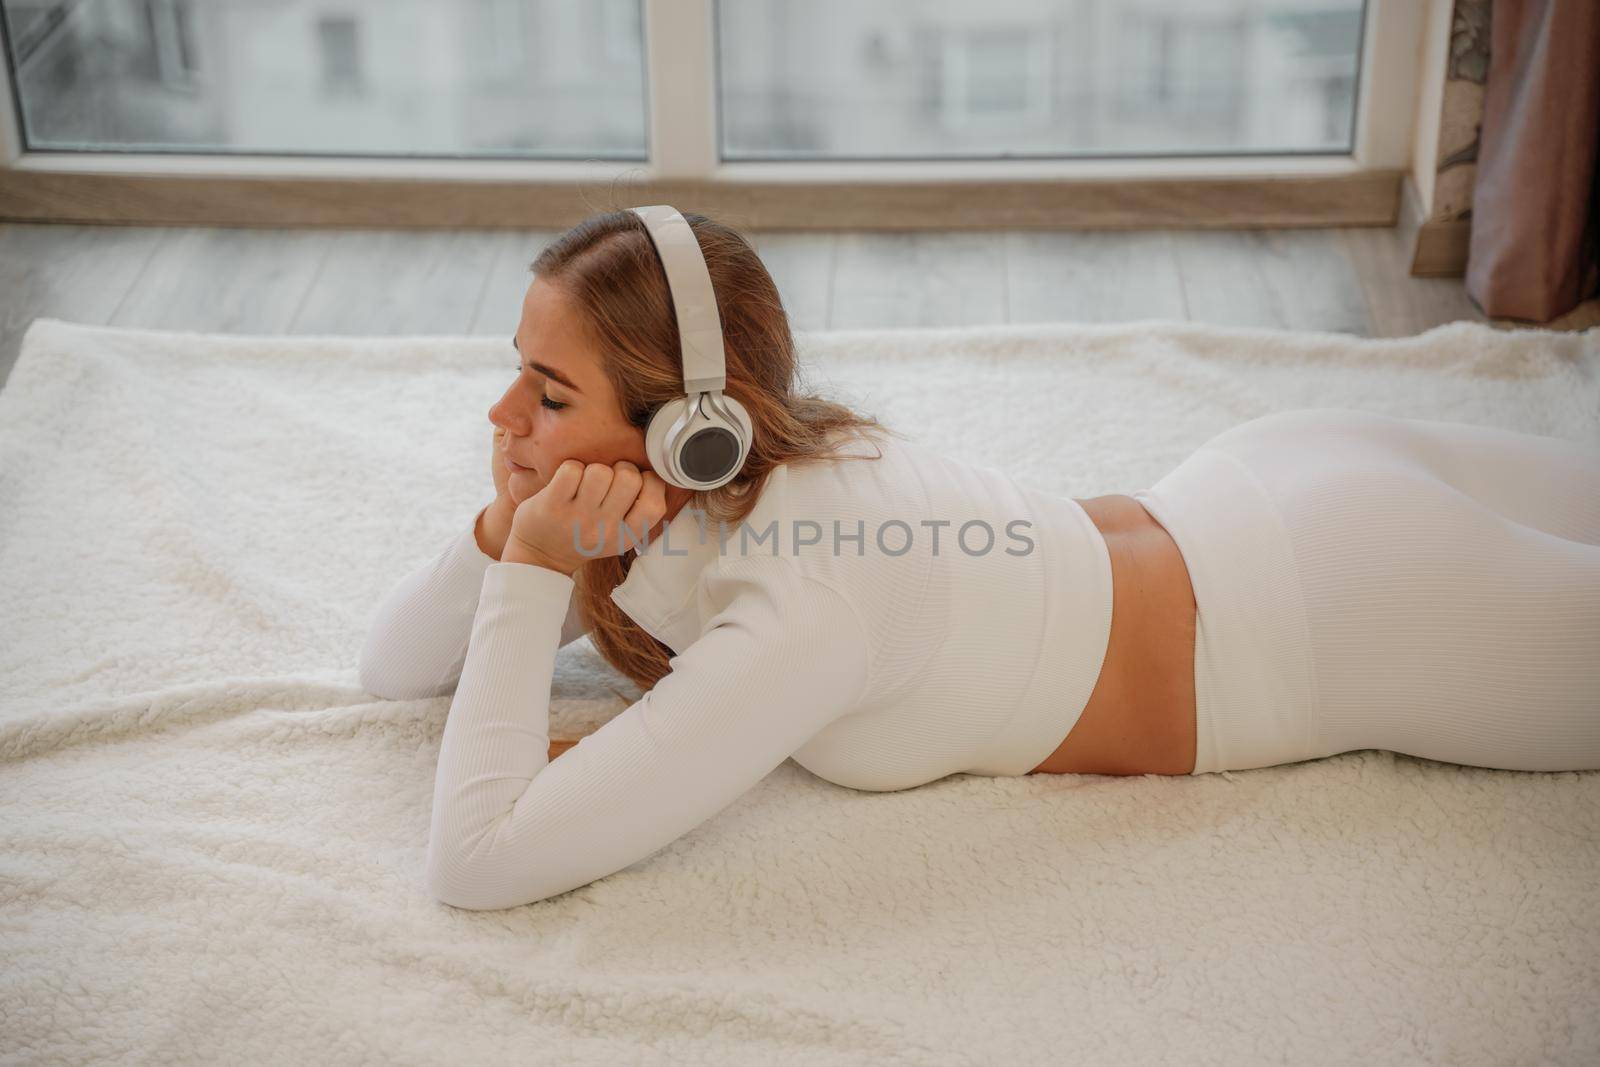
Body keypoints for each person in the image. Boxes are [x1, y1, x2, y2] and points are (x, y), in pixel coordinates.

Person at [360, 210, 1600, 911]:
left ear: (687, 424)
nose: (500, 416)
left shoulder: (806, 600)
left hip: (1349, 613)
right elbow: (389, 674)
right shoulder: (736, 480)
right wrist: (501, 537)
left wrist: (532, 567)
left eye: (547, 389)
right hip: (1271, 483)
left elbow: (477, 862)